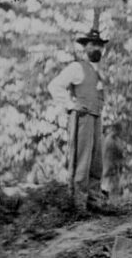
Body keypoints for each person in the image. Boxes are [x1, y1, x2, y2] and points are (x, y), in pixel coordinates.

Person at [47, 28, 108, 211]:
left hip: (97, 117)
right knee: (82, 160)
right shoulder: (77, 67)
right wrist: (71, 105)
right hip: (82, 117)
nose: (96, 48)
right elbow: (54, 86)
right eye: (92, 45)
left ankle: (94, 202)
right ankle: (78, 205)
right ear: (85, 47)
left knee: (96, 162)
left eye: (99, 45)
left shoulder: (99, 72)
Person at [102, 121, 125, 200]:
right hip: (109, 166)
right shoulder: (110, 140)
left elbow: (121, 153)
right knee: (108, 186)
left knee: (115, 187)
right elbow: (109, 156)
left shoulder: (117, 139)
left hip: (116, 167)